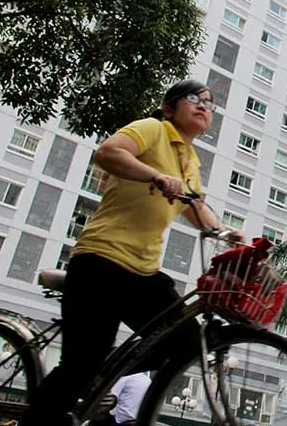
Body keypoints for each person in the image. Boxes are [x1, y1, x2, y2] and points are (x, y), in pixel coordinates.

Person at [22, 80, 243, 426]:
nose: (203, 106)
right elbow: (108, 153)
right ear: (169, 108)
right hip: (101, 261)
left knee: (185, 342)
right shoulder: (153, 129)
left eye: (209, 103)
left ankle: (101, 374)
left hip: (144, 272)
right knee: (80, 363)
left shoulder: (190, 161)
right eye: (193, 98)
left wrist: (227, 234)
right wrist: (156, 176)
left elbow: (197, 208)